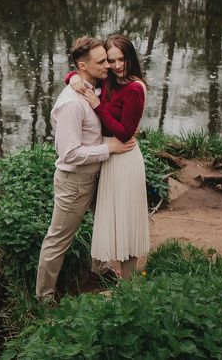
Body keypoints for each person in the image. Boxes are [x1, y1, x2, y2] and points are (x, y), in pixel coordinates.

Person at [35, 36, 137, 300]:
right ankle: (44, 299)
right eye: (102, 61)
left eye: (108, 59)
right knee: (58, 240)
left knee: (103, 222)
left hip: (98, 175)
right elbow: (69, 153)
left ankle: (99, 270)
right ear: (83, 66)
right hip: (75, 181)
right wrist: (109, 149)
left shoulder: (97, 84)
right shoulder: (71, 104)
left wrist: (71, 76)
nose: (109, 66)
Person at [67, 33, 150, 279]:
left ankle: (129, 286)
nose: (116, 66)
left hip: (124, 159)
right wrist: (71, 77)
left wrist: (96, 105)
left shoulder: (135, 88)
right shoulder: (110, 81)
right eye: (111, 61)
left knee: (126, 221)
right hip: (108, 157)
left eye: (121, 59)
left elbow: (124, 133)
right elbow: (82, 74)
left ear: (130, 58)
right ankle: (116, 277)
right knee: (113, 218)